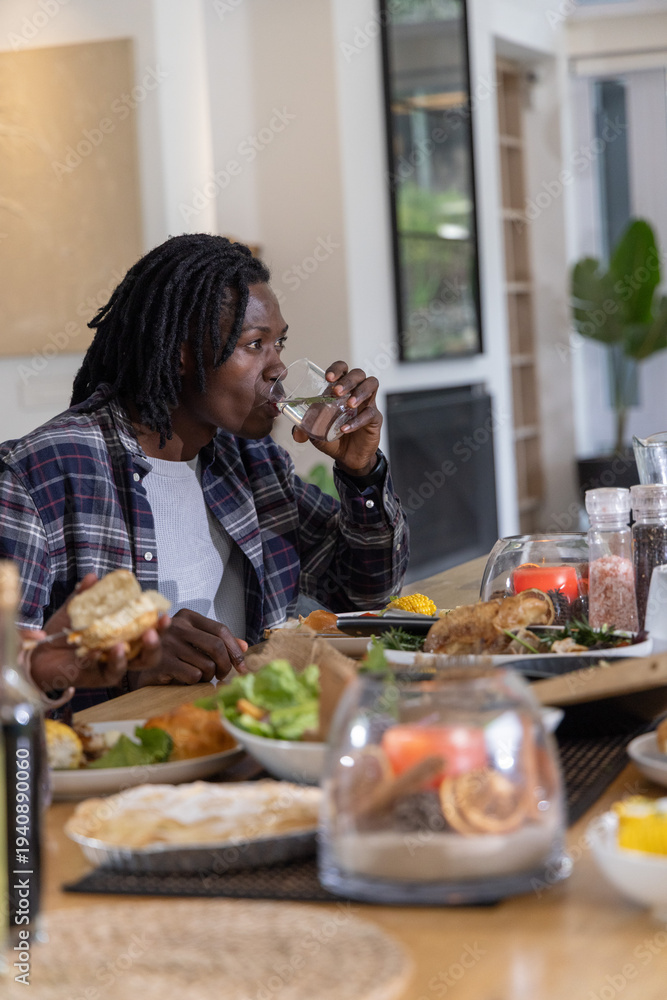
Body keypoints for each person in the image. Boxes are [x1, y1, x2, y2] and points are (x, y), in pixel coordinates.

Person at [0, 234, 409, 703]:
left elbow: (365, 593)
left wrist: (362, 474)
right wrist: (130, 669)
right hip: (118, 747)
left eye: (279, 343)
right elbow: (9, 681)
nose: (278, 368)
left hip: (251, 733)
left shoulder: (253, 463)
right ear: (181, 353)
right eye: (254, 344)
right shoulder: (42, 475)